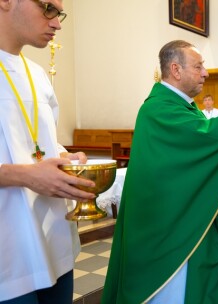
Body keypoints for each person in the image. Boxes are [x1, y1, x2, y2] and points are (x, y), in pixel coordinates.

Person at [102, 40, 218, 303]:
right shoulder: (158, 109)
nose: (205, 72)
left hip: (179, 221)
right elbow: (207, 138)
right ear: (176, 69)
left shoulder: (181, 107)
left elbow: (205, 143)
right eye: (198, 66)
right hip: (166, 235)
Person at [0, 0, 96, 302]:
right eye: (48, 8)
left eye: (59, 13)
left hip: (53, 238)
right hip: (9, 248)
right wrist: (24, 176)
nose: (57, 23)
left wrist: (66, 159)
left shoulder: (38, 74)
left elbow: (42, 141)